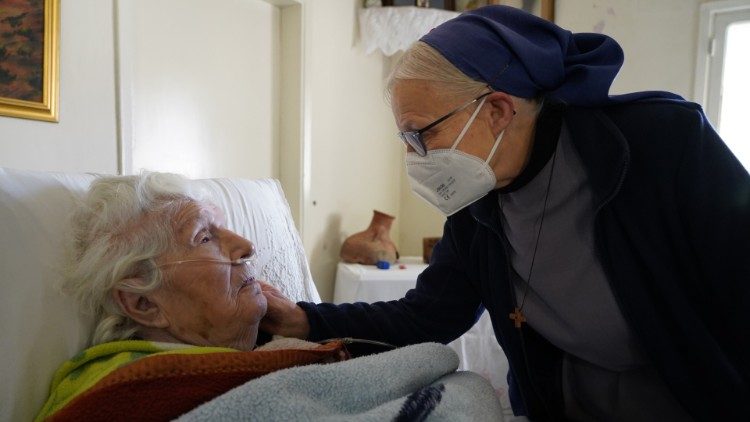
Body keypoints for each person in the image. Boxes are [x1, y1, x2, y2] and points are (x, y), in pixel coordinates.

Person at [260, 5, 750, 421]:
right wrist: (301, 319)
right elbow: (428, 317)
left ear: (496, 110)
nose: (414, 157)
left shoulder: (662, 145)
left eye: (421, 134)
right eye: (405, 141)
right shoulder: (477, 204)